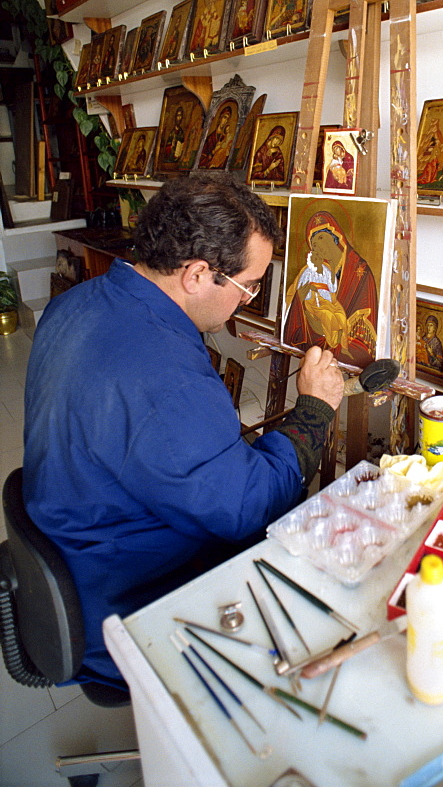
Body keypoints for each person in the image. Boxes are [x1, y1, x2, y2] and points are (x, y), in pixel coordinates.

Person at [22, 173, 344, 686]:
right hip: (124, 596)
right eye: (250, 286)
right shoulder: (164, 378)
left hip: (78, 543)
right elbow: (246, 509)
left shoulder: (75, 303)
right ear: (196, 273)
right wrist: (313, 411)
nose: (249, 299)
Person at [284, 210, 378, 369]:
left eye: (321, 238)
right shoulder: (311, 270)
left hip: (351, 335)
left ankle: (338, 339)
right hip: (318, 318)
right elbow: (296, 298)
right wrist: (301, 298)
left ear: (336, 236)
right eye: (313, 244)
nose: (317, 245)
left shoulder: (359, 270)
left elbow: (364, 314)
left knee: (339, 320)